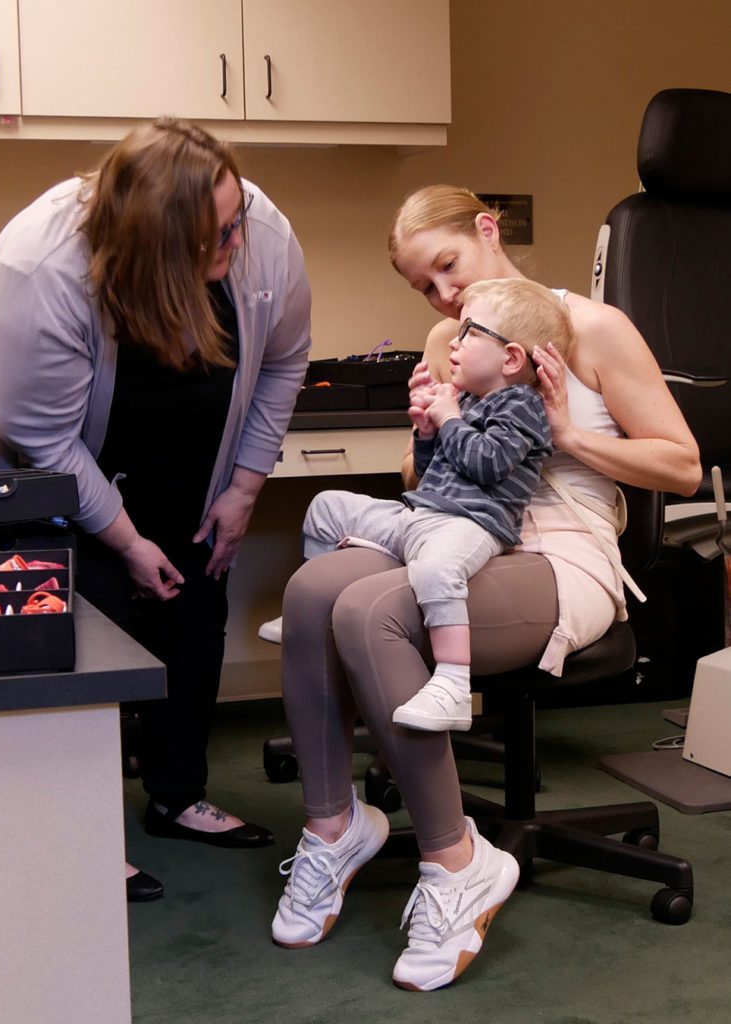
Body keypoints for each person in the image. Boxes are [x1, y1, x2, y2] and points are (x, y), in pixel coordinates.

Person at [271, 185, 700, 991]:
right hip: (459, 531)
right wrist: (426, 429)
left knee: (369, 611)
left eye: (448, 266)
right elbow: (422, 478)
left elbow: (680, 466)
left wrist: (567, 433)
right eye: (424, 288)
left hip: (561, 552)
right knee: (312, 590)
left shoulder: (590, 327)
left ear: (485, 229)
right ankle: (333, 827)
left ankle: (456, 861)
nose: (444, 295)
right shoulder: (450, 339)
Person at [0, 119, 312, 892]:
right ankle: (78, 829)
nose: (238, 240)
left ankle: (178, 797)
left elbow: (284, 361)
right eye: (216, 236)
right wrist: (125, 540)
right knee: (84, 629)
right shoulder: (39, 267)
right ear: (155, 246)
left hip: (191, 463)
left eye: (237, 218)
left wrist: (244, 488)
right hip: (57, 472)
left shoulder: (256, 226)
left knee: (196, 610)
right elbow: (42, 437)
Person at [300, 278, 572, 732]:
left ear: (511, 359)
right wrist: (426, 432)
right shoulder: (465, 400)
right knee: (326, 507)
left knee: (435, 571)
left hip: (471, 524)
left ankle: (452, 684)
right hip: (422, 515)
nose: (453, 343)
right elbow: (430, 473)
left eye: (469, 333)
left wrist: (447, 419)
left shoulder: (521, 406)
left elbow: (488, 464)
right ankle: (314, 614)